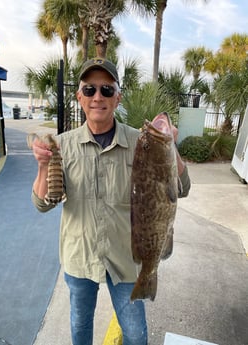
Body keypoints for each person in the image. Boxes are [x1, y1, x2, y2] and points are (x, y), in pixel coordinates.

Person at [31, 57, 191, 345]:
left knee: (135, 334)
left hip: (125, 259)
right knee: (80, 327)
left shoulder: (142, 141)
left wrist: (170, 149)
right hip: (80, 257)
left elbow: (182, 188)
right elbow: (43, 204)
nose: (97, 97)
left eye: (106, 90)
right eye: (89, 90)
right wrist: (43, 167)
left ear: (118, 98)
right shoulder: (62, 145)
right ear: (79, 97)